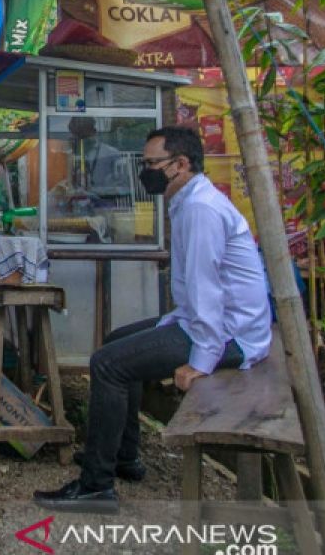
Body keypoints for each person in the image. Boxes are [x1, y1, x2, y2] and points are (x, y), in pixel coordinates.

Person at [34, 125, 272, 513]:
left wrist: (201, 361)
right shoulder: (189, 200)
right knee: (114, 343)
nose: (144, 172)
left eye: (151, 164)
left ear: (180, 164)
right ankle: (124, 457)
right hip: (210, 322)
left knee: (106, 365)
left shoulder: (200, 208)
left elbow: (206, 291)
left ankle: (96, 486)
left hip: (230, 335)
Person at [66, 115, 128, 204]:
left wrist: (95, 192)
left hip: (104, 207)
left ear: (94, 132)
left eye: (83, 135)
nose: (80, 139)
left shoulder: (112, 154)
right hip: (76, 209)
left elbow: (123, 188)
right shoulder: (72, 155)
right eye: (77, 136)